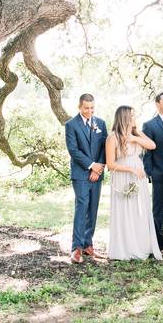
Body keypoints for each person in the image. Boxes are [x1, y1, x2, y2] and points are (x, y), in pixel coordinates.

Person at [105, 105, 163, 261]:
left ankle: (142, 245)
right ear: (125, 118)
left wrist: (135, 138)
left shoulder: (137, 133)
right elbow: (110, 165)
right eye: (133, 115)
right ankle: (126, 247)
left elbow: (152, 145)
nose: (135, 118)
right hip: (123, 176)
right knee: (126, 211)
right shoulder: (112, 138)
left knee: (140, 210)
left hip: (139, 176)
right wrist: (130, 169)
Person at [65, 93, 107, 264]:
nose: (89, 111)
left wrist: (99, 167)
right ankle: (77, 248)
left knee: (93, 207)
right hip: (81, 173)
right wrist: (91, 165)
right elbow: (73, 150)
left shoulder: (101, 123)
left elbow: (105, 147)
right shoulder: (71, 125)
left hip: (97, 173)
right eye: (86, 108)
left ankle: (88, 244)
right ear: (79, 107)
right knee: (82, 207)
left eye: (92, 108)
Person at [142, 91, 163, 257]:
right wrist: (150, 173)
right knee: (158, 213)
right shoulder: (149, 125)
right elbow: (146, 152)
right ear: (157, 104)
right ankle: (159, 245)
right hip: (160, 176)